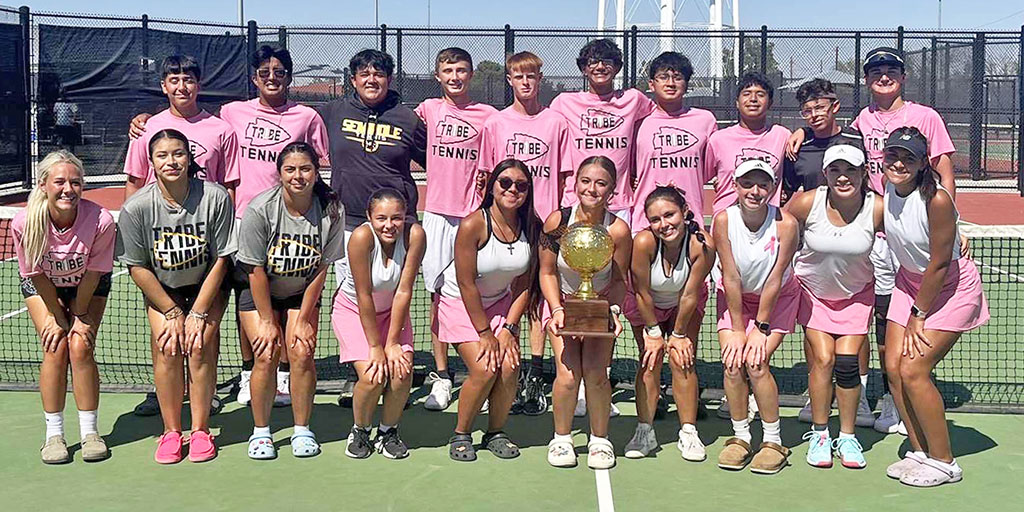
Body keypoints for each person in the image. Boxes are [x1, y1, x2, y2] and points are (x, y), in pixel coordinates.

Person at [131, 46, 332, 409]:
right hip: (239, 223)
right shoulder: (232, 113)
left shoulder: (302, 116)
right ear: (254, 78)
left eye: (279, 72)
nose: (272, 78)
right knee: (246, 302)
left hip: (271, 222)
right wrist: (143, 119)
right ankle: (236, 375)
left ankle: (280, 374)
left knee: (271, 299)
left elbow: (231, 180)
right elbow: (137, 182)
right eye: (264, 72)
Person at [786, 48, 959, 435]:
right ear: (866, 80)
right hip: (874, 232)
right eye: (876, 71)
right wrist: (802, 131)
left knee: (885, 320)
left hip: (907, 227)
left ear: (903, 75)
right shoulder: (862, 121)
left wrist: (953, 227)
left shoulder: (925, 116)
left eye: (891, 69)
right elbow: (832, 134)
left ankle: (889, 401)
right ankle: (865, 391)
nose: (884, 75)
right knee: (880, 315)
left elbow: (944, 170)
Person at [124, 55, 241, 416]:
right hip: (162, 250)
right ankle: (167, 393)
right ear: (164, 86)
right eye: (173, 79)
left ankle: (204, 395)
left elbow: (230, 185)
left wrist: (220, 236)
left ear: (198, 84)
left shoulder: (221, 129)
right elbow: (133, 185)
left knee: (203, 337)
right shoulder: (146, 129)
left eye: (188, 79)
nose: (181, 86)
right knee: (166, 340)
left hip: (206, 252)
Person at [116, 129, 235, 464]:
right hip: (163, 289)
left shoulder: (215, 198)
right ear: (152, 163)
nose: (172, 161)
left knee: (198, 347)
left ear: (189, 157)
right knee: (168, 347)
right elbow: (137, 267)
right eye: (163, 155)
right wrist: (171, 312)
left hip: (207, 286)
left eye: (178, 153)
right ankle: (171, 431)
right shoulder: (137, 207)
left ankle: (200, 430)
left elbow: (222, 258)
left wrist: (197, 313)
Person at [879, 127, 988, 487]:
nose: (898, 163)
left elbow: (940, 264)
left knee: (913, 370)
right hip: (908, 283)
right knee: (893, 369)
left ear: (924, 162)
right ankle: (921, 452)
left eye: (908, 157)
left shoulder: (937, 200)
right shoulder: (887, 185)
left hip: (949, 289)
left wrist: (918, 315)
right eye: (893, 154)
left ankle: (945, 462)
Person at [551, 39, 654, 416]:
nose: (600, 67)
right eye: (594, 62)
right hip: (578, 212)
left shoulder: (636, 101)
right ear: (583, 68)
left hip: (619, 208)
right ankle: (574, 383)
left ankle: (607, 375)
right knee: (571, 289)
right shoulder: (563, 103)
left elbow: (663, 119)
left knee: (617, 295)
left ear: (617, 67)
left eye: (608, 62)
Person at [235, 142, 344, 460]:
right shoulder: (260, 209)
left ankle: (302, 429)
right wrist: (268, 322)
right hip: (260, 292)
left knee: (301, 353)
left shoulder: (330, 209)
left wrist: (304, 317)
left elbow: (322, 270)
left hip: (302, 291)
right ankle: (260, 433)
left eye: (305, 169)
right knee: (266, 355)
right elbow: (253, 271)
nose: (298, 176)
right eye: (290, 169)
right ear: (280, 173)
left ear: (316, 172)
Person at [479, 50, 574, 416]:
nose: (526, 82)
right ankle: (504, 365)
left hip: (544, 225)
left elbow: (565, 177)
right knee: (508, 292)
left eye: (532, 76)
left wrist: (559, 220)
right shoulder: (495, 123)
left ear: (540, 78)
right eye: (519, 76)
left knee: (539, 297)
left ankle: (534, 373)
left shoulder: (556, 122)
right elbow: (487, 177)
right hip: (507, 225)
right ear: (509, 80)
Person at [783, 79, 874, 428]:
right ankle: (816, 391)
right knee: (815, 332)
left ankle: (859, 394)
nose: (814, 114)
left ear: (834, 105)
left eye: (820, 107)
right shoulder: (798, 146)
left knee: (856, 328)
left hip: (854, 239)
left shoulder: (854, 140)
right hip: (813, 241)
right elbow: (790, 194)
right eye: (807, 110)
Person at [786, 142, 883, 469]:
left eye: (851, 170)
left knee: (846, 364)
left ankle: (848, 436)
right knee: (823, 360)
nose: (843, 177)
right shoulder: (808, 202)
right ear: (825, 174)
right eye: (836, 171)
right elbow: (780, 226)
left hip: (855, 296)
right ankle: (820, 433)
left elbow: (915, 227)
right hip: (812, 293)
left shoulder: (877, 207)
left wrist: (956, 237)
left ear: (863, 173)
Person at [13, 150, 113, 464]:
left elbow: (95, 273)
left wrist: (79, 315)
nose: (68, 188)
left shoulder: (101, 220)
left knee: (81, 346)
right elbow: (35, 275)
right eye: (59, 182)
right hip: (44, 286)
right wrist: (57, 317)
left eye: (75, 182)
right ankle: (53, 436)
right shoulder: (25, 222)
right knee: (55, 346)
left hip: (89, 285)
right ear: (43, 185)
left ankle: (90, 434)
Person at [415, 47, 498, 412]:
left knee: (476, 296)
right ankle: (442, 376)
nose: (455, 76)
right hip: (435, 215)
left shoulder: (489, 116)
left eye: (461, 70)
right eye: (448, 70)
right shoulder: (428, 110)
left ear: (471, 73)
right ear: (438, 76)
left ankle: (478, 372)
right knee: (438, 298)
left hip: (474, 219)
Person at [442, 159, 539, 462]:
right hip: (460, 302)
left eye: (521, 185)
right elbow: (466, 283)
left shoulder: (531, 226)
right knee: (485, 369)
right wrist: (486, 334)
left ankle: (496, 432)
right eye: (506, 183)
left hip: (501, 305)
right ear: (493, 187)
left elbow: (525, 285)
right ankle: (460, 433)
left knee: (509, 367)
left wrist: (509, 329)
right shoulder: (474, 224)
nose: (513, 190)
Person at [540, 156, 631, 470]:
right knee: (567, 376)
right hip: (560, 305)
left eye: (601, 183)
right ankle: (562, 438)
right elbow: (547, 272)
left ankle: (600, 440)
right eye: (586, 181)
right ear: (575, 183)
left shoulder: (618, 230)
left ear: (612, 190)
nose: (592, 189)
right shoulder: (557, 221)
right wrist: (556, 310)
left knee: (595, 374)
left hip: (600, 306)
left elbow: (619, 279)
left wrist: (612, 311)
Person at [712, 159, 798, 475]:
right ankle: (741, 436)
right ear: (735, 186)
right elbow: (731, 276)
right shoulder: (723, 220)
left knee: (756, 363)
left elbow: (775, 276)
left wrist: (760, 327)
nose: (755, 191)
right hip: (736, 299)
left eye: (763, 184)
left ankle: (773, 441)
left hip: (776, 301)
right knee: (733, 362)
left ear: (773, 188)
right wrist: (737, 328)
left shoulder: (786, 224)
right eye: (747, 183)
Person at [623, 186, 714, 461]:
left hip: (685, 303)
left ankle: (688, 432)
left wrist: (678, 334)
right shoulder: (642, 243)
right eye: (655, 219)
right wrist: (653, 332)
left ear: (685, 212)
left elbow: (690, 293)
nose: (664, 224)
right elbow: (641, 292)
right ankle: (644, 431)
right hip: (645, 304)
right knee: (649, 361)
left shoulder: (703, 245)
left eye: (669, 215)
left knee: (682, 358)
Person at [335, 189, 425, 460]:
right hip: (354, 311)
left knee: (401, 374)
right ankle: (360, 429)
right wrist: (376, 347)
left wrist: (393, 343)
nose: (389, 225)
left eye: (396, 218)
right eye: (381, 218)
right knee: (373, 377)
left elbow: (404, 290)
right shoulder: (361, 238)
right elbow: (363, 295)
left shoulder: (415, 235)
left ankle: (388, 431)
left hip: (392, 314)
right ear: (369, 218)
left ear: (406, 216)